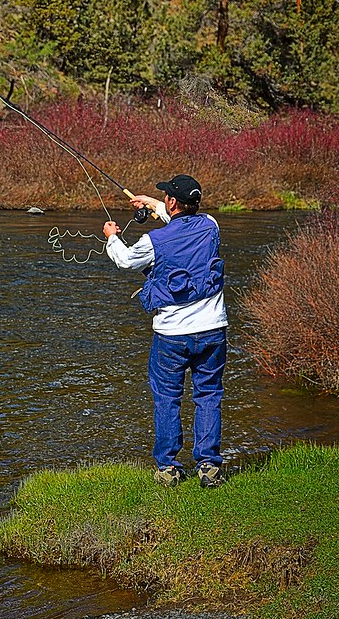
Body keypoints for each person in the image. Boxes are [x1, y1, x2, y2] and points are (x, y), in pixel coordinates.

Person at [103, 174, 228, 488]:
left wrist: (111, 236)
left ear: (173, 202)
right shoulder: (211, 226)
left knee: (167, 400)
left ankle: (168, 470)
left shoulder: (153, 242)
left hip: (171, 336)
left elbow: (125, 261)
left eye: (167, 198)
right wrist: (150, 203)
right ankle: (209, 468)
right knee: (209, 397)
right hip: (213, 331)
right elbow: (180, 218)